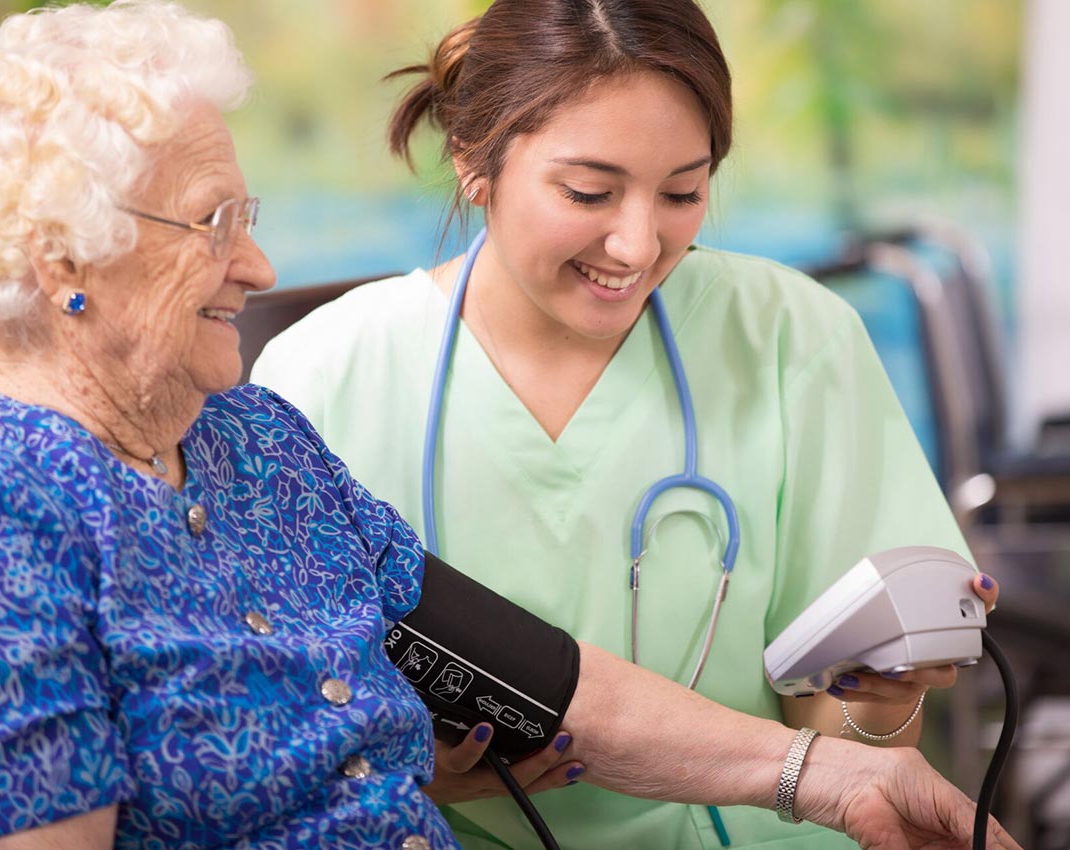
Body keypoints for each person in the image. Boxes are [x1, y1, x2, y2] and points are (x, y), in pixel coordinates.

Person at [0, 3, 1021, 850]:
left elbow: (547, 680)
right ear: (62, 260)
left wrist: (835, 775)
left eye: (247, 217)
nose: (259, 264)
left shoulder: (252, 443)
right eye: (215, 223)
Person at [251, 1, 1002, 848]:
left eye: (684, 191)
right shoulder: (319, 375)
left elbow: (852, 751)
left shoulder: (791, 337)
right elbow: (281, 731)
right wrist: (407, 763)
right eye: (589, 191)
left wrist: (880, 703)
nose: (638, 245)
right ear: (473, 157)